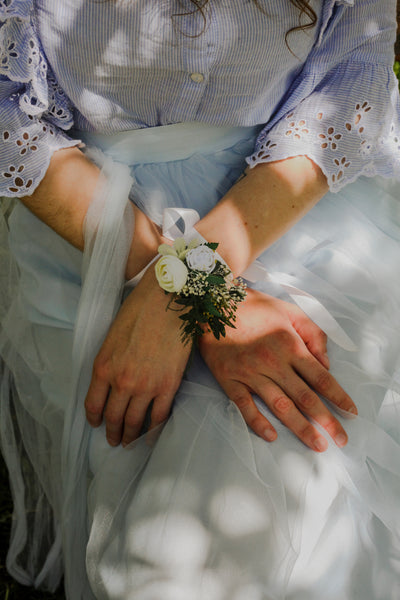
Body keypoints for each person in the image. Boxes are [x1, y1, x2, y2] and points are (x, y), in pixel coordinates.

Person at [1, 0, 400, 598]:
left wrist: (186, 291)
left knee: (300, 473)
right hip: (103, 228)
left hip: (288, 213)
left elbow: (347, 86)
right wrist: (194, 289)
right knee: (174, 545)